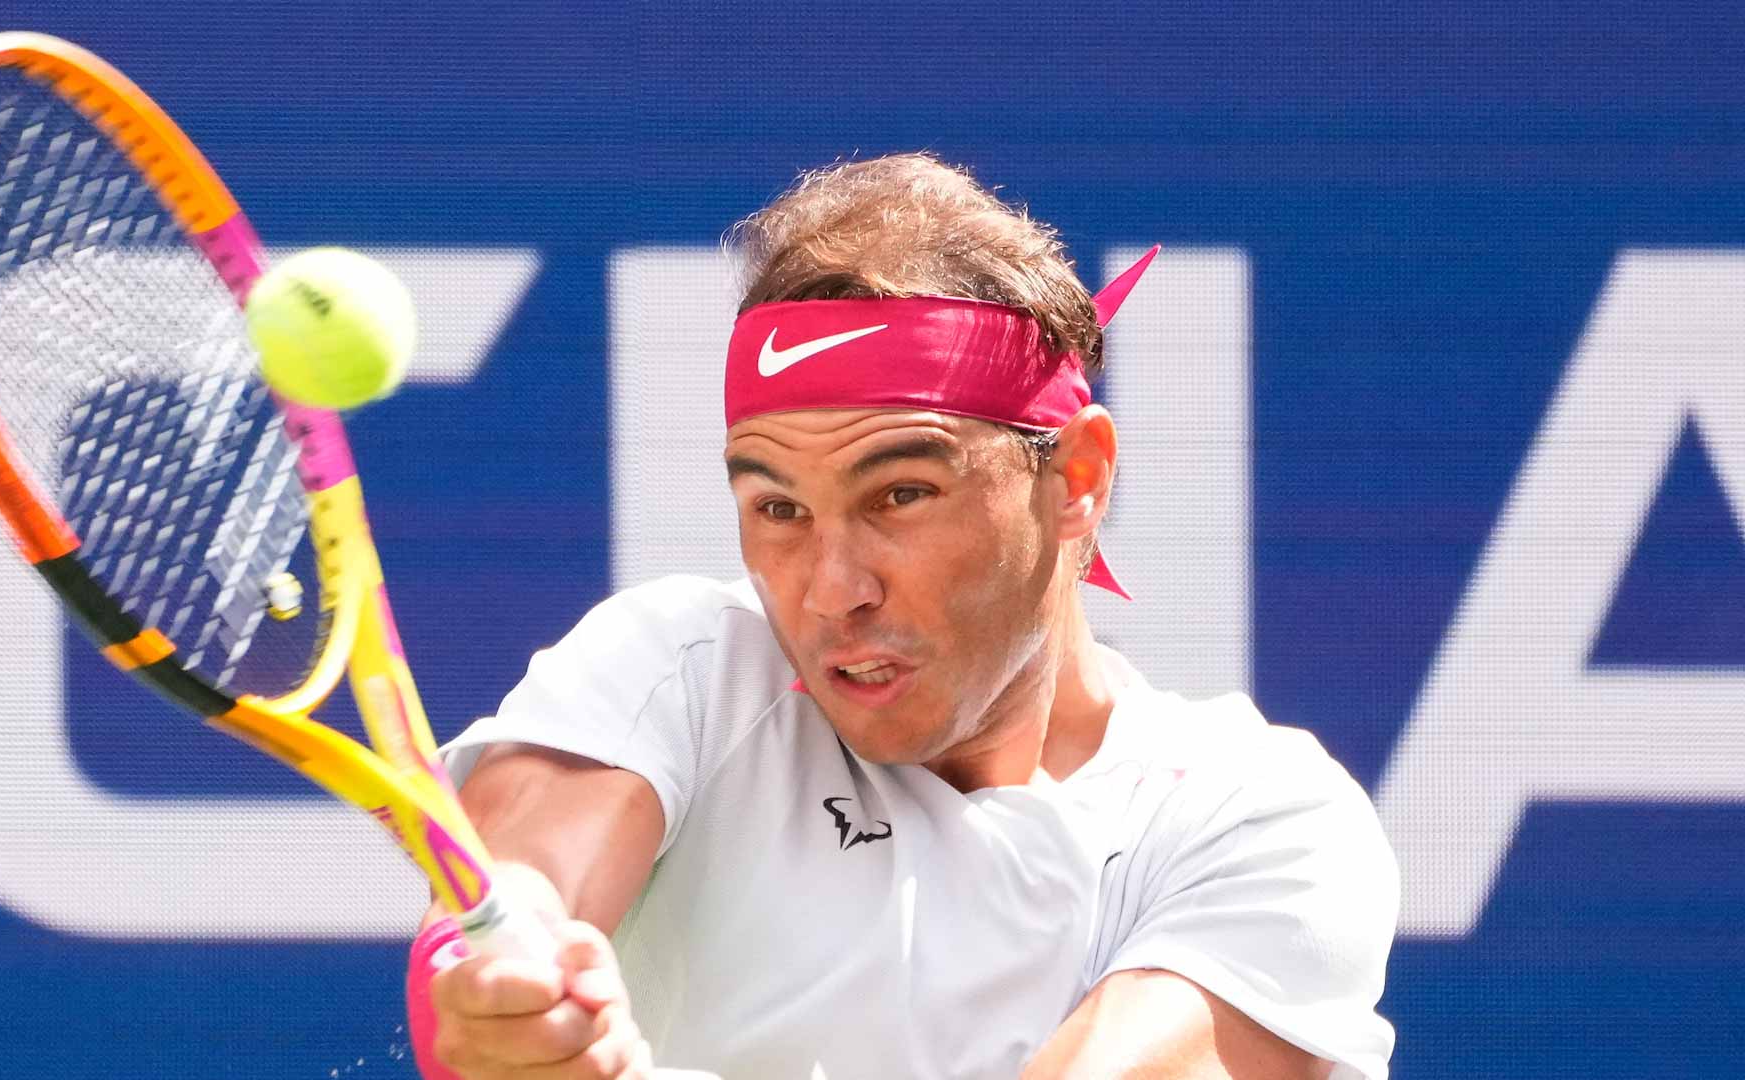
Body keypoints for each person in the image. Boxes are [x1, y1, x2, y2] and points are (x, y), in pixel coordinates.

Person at [406, 153, 1398, 1080]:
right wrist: (507, 991)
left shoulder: (1262, 823)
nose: (833, 588)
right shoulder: (684, 670)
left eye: (901, 495)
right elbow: (517, 894)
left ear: (1078, 479)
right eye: (779, 509)